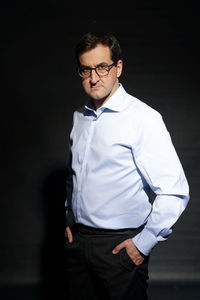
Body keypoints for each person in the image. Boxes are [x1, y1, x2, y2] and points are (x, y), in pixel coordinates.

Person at [64, 31, 189, 300]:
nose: (94, 78)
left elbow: (174, 191)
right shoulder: (79, 117)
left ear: (118, 68)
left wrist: (143, 244)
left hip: (119, 248)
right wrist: (69, 220)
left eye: (102, 67)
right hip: (78, 244)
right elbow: (76, 175)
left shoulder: (143, 119)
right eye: (86, 70)